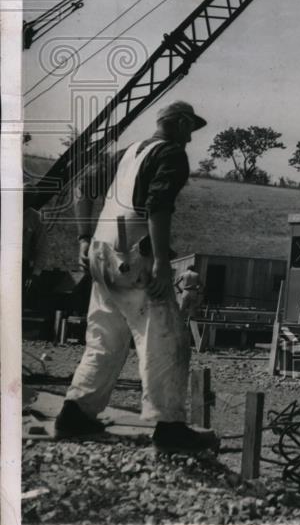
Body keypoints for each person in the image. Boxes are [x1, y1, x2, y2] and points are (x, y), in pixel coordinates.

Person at [54, 101, 215, 453]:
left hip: (101, 251)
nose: (191, 137)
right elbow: (158, 206)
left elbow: (84, 185)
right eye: (191, 128)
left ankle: (75, 412)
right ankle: (169, 427)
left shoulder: (128, 153)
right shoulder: (171, 154)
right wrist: (159, 261)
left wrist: (84, 236)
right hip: (134, 255)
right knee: (164, 337)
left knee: (104, 336)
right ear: (181, 123)